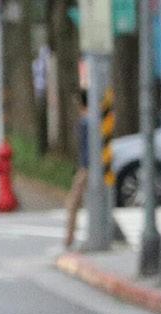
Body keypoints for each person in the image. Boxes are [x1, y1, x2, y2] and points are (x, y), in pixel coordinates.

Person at [64, 90, 90, 248]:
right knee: (79, 202)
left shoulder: (86, 121)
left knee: (73, 202)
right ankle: (71, 237)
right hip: (86, 167)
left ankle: (70, 238)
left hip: (86, 168)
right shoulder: (91, 120)